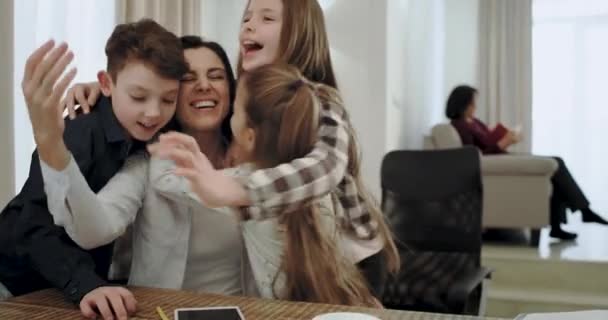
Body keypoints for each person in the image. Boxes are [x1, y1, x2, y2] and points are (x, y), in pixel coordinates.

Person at [63, 0, 400, 299]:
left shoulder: (318, 100)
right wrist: (111, 89)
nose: (250, 24)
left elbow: (325, 166)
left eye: (267, 18)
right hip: (301, 268)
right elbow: (185, 94)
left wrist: (237, 189)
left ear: (299, 33)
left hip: (352, 257)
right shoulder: (242, 114)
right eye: (246, 17)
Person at [0, 19, 188, 320]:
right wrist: (87, 285)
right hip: (16, 281)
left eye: (168, 99)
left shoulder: (148, 135)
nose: (154, 113)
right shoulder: (80, 130)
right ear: (106, 83)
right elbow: (32, 224)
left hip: (71, 288)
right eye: (139, 97)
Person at [446, 85, 608, 240]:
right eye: (472, 102)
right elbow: (472, 155)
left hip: (501, 157)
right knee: (555, 163)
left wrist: (507, 139)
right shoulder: (459, 125)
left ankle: (562, 224)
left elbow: (489, 140)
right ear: (462, 103)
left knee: (555, 165)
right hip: (494, 162)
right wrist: (502, 144)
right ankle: (583, 212)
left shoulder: (474, 122)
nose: (475, 105)